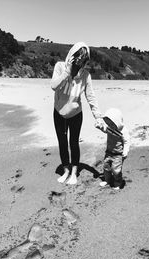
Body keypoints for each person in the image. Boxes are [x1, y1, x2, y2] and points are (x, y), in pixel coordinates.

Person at [51, 42, 104, 185]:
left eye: (83, 60)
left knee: (73, 143)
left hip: (76, 114)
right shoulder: (60, 67)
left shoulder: (85, 75)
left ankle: (74, 173)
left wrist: (98, 117)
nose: (80, 62)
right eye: (78, 58)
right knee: (62, 143)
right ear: (72, 55)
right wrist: (67, 72)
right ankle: (66, 171)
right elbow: (54, 86)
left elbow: (91, 96)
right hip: (59, 113)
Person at [95, 108, 130, 189]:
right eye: (108, 123)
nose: (110, 125)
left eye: (112, 123)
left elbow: (127, 141)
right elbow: (105, 129)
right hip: (108, 152)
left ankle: (118, 183)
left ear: (117, 121)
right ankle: (107, 180)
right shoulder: (110, 127)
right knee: (106, 167)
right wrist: (99, 126)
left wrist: (125, 151)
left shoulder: (123, 131)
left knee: (116, 170)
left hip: (118, 155)